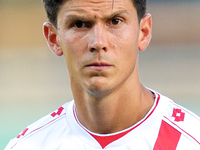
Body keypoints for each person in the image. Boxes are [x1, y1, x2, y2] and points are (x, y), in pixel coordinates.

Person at [5, 0, 200, 149]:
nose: (98, 42)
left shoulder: (191, 142)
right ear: (54, 38)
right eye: (80, 24)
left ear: (144, 31)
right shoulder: (28, 145)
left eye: (115, 21)